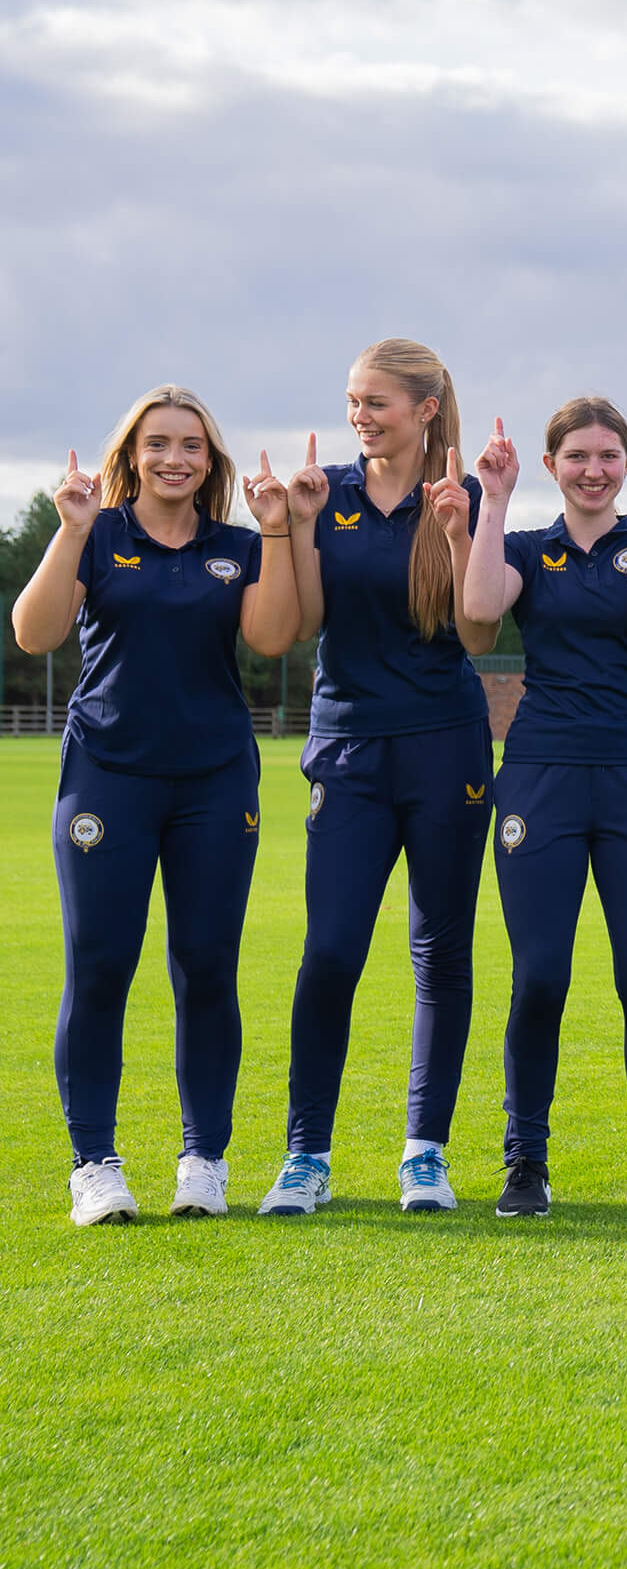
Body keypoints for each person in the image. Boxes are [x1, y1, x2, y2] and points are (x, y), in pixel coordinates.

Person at [14, 390, 297, 1224]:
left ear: (213, 461)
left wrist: (276, 528)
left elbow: (275, 638)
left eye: (194, 446)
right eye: (159, 443)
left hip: (214, 782)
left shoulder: (238, 547)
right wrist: (69, 527)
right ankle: (93, 1164)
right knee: (100, 967)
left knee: (206, 968)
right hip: (107, 777)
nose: (177, 458)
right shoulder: (96, 533)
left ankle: (202, 1161)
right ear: (132, 454)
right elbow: (34, 633)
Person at [257, 339, 497, 1217]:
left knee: (441, 952)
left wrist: (463, 528)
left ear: (426, 408)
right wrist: (302, 525)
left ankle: (424, 1155)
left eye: (377, 402)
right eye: (353, 401)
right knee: (331, 952)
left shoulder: (463, 498)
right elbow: (310, 619)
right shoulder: (330, 495)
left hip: (446, 750)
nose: (360, 415)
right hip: (350, 751)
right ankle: (305, 1156)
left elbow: (477, 640)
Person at [452, 400, 627, 1216]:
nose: (593, 470)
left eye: (608, 455)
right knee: (542, 977)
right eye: (577, 456)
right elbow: (481, 609)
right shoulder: (526, 547)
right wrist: (493, 496)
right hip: (541, 776)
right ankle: (526, 1162)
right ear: (552, 463)